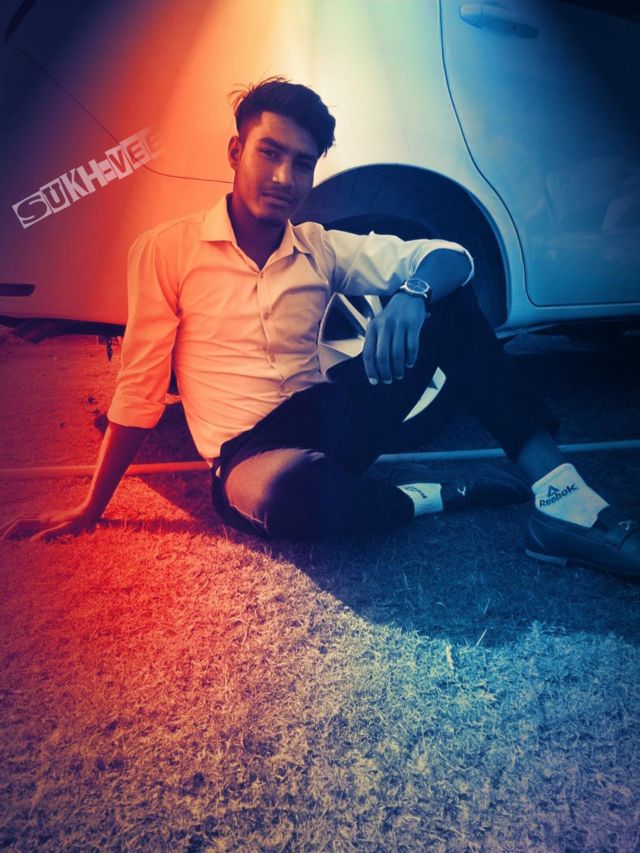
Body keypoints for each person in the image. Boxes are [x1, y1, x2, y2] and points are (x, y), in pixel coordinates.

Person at [2, 78, 639, 581]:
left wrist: (413, 294)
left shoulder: (320, 247)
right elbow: (139, 390)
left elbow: (452, 257)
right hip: (249, 455)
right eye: (269, 153)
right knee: (291, 498)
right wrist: (90, 508)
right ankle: (432, 494)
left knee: (446, 299)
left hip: (331, 419)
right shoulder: (166, 250)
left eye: (302, 164)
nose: (285, 178)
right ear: (235, 152)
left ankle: (566, 501)